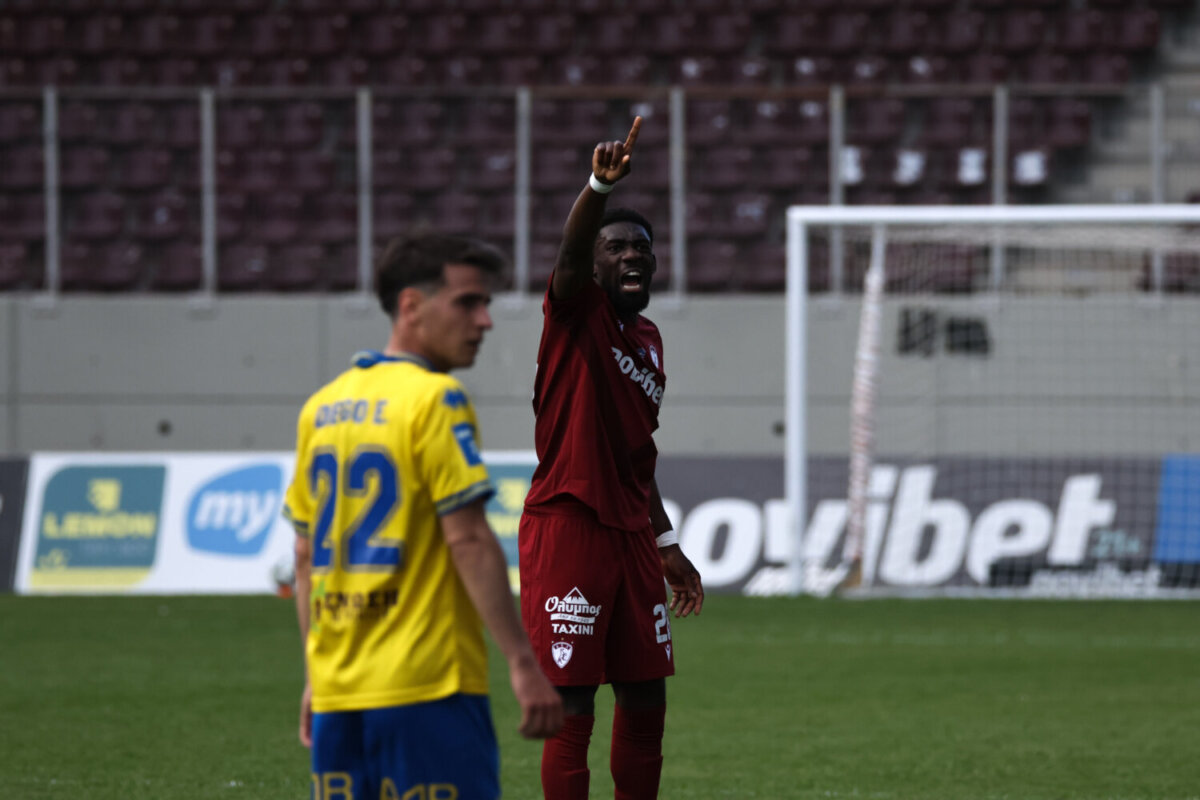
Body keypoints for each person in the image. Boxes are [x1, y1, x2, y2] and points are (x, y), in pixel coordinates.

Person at [283, 232, 563, 800]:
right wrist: (522, 662)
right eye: (467, 302)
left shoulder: (321, 407)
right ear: (412, 305)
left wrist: (316, 677)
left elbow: (305, 555)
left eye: (485, 304)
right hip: (428, 686)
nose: (484, 321)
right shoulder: (435, 399)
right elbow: (468, 540)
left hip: (338, 694)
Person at [518, 117, 705, 800]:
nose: (633, 256)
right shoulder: (575, 312)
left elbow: (637, 453)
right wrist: (598, 189)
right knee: (573, 706)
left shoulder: (649, 338)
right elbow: (569, 255)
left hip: (631, 538)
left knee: (647, 698)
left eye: (642, 249)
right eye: (617, 247)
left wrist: (666, 543)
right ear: (594, 266)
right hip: (569, 525)